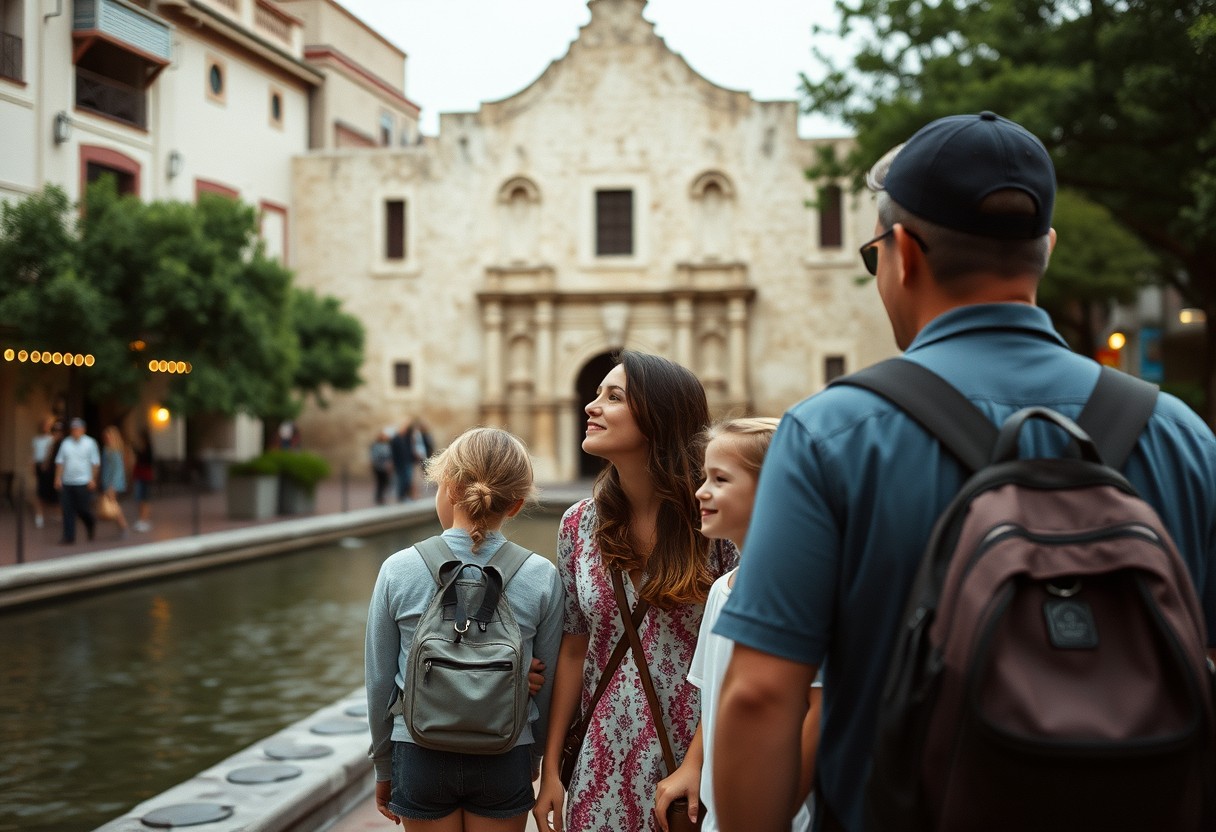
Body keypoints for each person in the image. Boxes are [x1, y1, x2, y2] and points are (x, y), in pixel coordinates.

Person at [711, 111, 1216, 832]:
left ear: (904, 253)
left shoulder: (832, 435)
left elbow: (761, 695)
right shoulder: (1182, 437)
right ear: (1045, 248)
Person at [534, 350, 738, 832]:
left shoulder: (716, 522)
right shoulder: (578, 525)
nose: (591, 405)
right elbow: (573, 648)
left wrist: (696, 764)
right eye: (596, 392)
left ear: (657, 418)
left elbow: (740, 657)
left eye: (613, 396)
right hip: (600, 757)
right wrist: (551, 769)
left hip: (695, 752)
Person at [365, 426, 564, 831]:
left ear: (449, 487)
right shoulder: (541, 576)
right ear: (515, 505)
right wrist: (535, 757)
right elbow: (551, 680)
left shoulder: (398, 569)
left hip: (419, 750)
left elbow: (380, 681)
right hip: (505, 750)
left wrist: (384, 765)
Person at [654, 417, 820, 832]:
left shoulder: (806, 589)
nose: (700, 491)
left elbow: (820, 713)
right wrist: (694, 767)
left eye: (720, 479)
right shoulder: (722, 591)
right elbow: (716, 703)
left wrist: (773, 812)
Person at [54, 417, 100, 545]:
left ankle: (90, 522)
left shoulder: (90, 443)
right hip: (67, 482)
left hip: (83, 481)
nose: (75, 431)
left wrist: (93, 479)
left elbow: (95, 463)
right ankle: (69, 536)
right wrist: (58, 478)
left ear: (83, 429)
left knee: (82, 508)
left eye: (78, 428)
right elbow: (60, 462)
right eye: (73, 429)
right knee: (67, 509)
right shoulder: (66, 443)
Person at [99, 425, 130, 538]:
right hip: (108, 482)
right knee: (114, 505)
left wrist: (113, 486)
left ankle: (124, 527)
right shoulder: (107, 449)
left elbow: (118, 470)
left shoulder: (114, 451)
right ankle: (122, 528)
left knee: (114, 506)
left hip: (113, 483)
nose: (107, 439)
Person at [30, 416, 58, 528]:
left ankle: (55, 514)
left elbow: (50, 453)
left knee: (51, 492)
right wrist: (33, 466)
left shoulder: (51, 439)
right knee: (39, 492)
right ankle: (39, 516)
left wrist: (46, 464)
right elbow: (33, 453)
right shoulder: (36, 439)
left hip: (48, 467)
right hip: (39, 465)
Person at [131, 429, 155, 532]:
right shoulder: (141, 448)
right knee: (139, 498)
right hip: (139, 475)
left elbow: (147, 461)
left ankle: (144, 520)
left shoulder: (148, 449)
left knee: (144, 498)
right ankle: (141, 519)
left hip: (145, 476)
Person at [408, 419, 435, 500]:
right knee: (417, 475)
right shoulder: (416, 435)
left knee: (426, 472)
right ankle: (415, 493)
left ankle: (427, 486)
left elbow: (429, 445)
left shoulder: (425, 434)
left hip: (425, 456)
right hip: (418, 457)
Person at [389, 421, 414, 501]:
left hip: (407, 461)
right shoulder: (395, 439)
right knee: (401, 480)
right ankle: (401, 496)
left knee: (407, 479)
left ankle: (406, 495)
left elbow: (410, 449)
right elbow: (393, 452)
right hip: (399, 463)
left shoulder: (407, 438)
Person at [370, 428, 394, 505]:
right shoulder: (376, 445)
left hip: (386, 467)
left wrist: (390, 463)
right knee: (380, 482)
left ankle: (382, 496)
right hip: (379, 468)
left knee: (385, 483)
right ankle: (379, 497)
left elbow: (390, 455)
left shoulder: (387, 445)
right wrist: (383, 464)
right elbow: (375, 457)